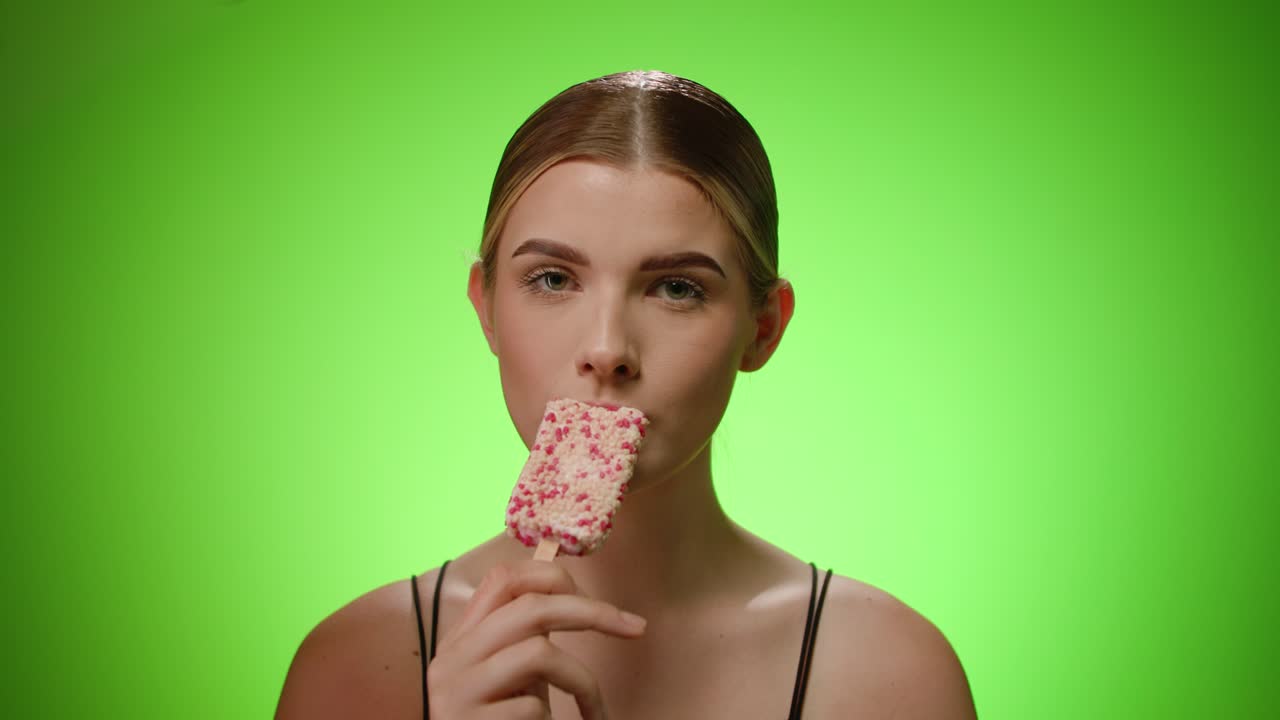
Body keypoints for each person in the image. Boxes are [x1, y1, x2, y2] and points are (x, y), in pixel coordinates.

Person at [276, 70, 977, 719]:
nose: (607, 349)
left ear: (764, 329)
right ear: (485, 308)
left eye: (677, 288)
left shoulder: (888, 674)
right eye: (552, 279)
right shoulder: (357, 669)